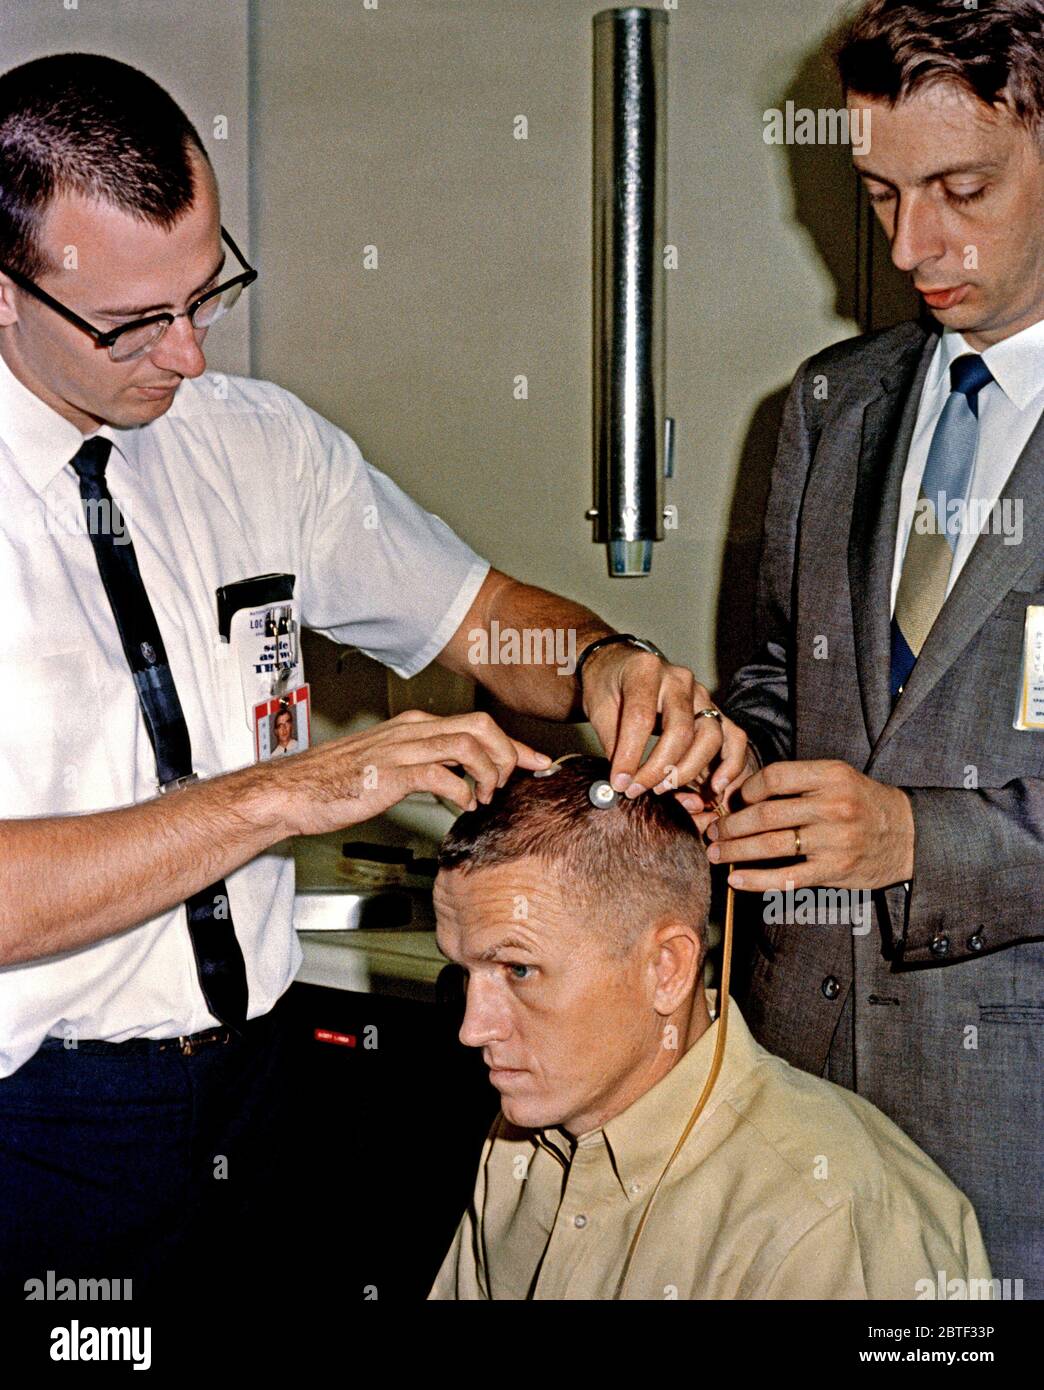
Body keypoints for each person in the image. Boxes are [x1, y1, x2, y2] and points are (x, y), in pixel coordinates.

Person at [0, 52, 747, 1296]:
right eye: (135, 323)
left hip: (259, 1089)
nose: (187, 357)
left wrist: (607, 661)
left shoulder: (254, 444)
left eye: (209, 292)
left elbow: (486, 616)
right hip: (41, 1123)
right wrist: (286, 793)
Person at [694, 0, 1043, 1296]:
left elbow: (903, 811)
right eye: (882, 193)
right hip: (798, 1105)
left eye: (963, 188)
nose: (914, 244)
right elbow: (785, 676)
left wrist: (914, 840)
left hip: (1015, 1136)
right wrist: (734, 758)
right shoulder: (832, 404)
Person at [428, 756, 991, 1300]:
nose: (473, 1030)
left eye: (519, 970)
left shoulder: (827, 1222)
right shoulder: (523, 1137)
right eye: (464, 970)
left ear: (666, 968)